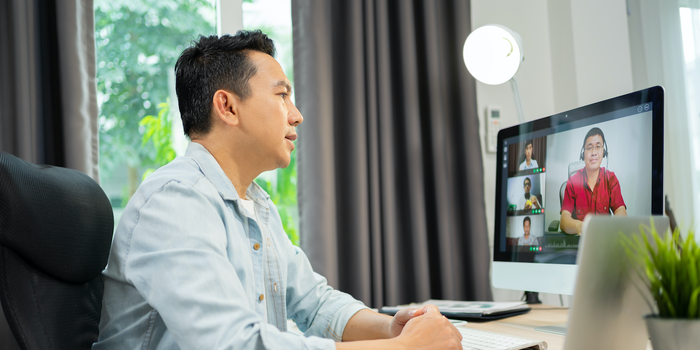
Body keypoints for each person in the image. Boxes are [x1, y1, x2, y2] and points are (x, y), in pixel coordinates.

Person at [92, 31, 462, 350]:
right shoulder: (174, 202)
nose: (296, 114)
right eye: (282, 95)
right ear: (228, 107)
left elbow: (315, 303)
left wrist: (390, 329)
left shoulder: (254, 203)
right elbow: (234, 344)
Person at [560, 127, 626, 235]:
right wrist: (579, 227)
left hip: (604, 241)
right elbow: (564, 220)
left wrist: (609, 228)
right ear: (583, 153)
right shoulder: (573, 182)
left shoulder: (611, 179)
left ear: (604, 152)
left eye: (598, 147)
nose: (594, 152)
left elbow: (621, 212)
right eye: (589, 148)